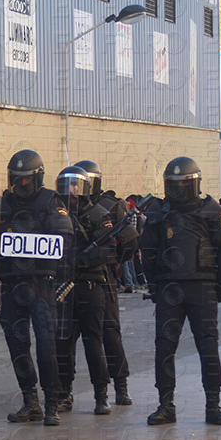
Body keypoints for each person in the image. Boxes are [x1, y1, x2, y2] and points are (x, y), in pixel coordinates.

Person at [140, 157, 221, 426]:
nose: (179, 188)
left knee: (208, 345)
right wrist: (153, 284)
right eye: (175, 184)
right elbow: (148, 251)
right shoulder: (159, 211)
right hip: (170, 286)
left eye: (183, 184)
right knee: (164, 346)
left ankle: (213, 404)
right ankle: (165, 404)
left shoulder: (210, 209)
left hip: (202, 286)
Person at [0, 150, 73, 426]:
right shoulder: (2, 204)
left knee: (47, 345)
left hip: (41, 283)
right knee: (17, 345)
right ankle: (30, 401)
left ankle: (52, 403)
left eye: (26, 179)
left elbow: (65, 242)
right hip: (11, 284)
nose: (21, 184)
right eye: (16, 178)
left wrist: (63, 280)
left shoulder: (50, 201)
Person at [74, 160, 138, 406]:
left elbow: (130, 241)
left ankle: (120, 386)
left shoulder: (110, 206)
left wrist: (114, 263)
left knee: (109, 332)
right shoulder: (67, 207)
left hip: (103, 276)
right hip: (78, 275)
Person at [54, 166, 115, 415]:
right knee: (63, 343)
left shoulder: (99, 214)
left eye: (74, 184)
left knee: (93, 341)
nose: (70, 189)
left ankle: (101, 394)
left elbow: (106, 248)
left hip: (89, 284)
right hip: (62, 285)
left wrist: (78, 262)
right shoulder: (55, 214)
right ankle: (64, 393)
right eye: (66, 184)